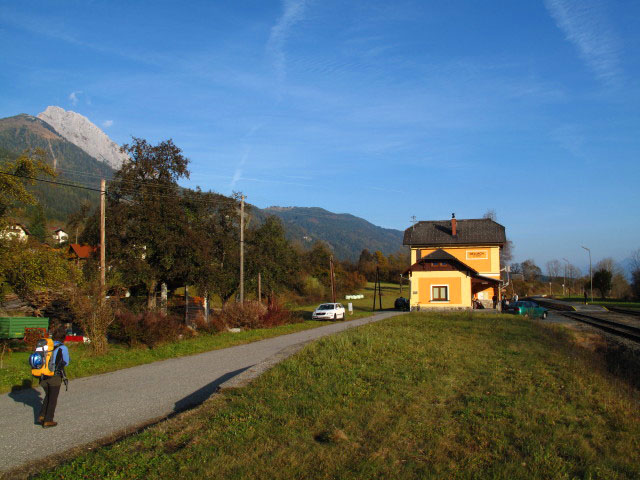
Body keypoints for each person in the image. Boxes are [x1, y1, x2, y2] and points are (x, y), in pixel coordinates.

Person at [39, 327, 70, 428]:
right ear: (64, 337)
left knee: (48, 395)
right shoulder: (63, 348)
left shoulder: (46, 345)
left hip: (42, 375)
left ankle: (42, 415)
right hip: (54, 376)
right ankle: (48, 420)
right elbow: (66, 362)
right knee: (53, 398)